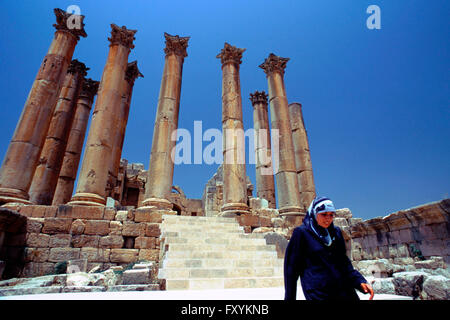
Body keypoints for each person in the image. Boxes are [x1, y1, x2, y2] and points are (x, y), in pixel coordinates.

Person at [284, 196, 374, 300]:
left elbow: (344, 263)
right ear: (314, 213)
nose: (328, 218)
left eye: (331, 215)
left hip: (344, 290)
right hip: (319, 293)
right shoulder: (301, 233)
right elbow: (291, 270)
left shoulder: (336, 233)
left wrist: (359, 281)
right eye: (324, 214)